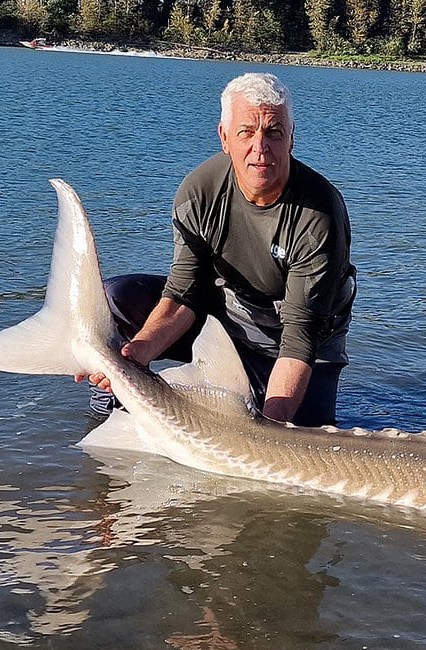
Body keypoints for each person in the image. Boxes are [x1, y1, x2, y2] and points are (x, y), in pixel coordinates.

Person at [81, 72, 356, 427]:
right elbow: (183, 294)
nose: (260, 148)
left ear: (291, 139)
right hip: (229, 321)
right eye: (246, 132)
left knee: (304, 450)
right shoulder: (200, 191)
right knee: (117, 298)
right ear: (224, 138)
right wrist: (135, 355)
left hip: (304, 344)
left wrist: (269, 432)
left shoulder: (320, 213)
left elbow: (300, 334)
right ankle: (107, 418)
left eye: (274, 132)